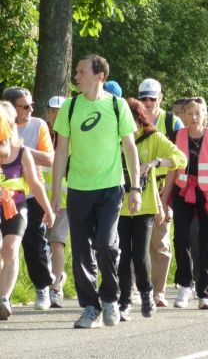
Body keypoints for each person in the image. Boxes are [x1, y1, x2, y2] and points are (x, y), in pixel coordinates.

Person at [52, 54, 141, 329]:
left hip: (110, 188)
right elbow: (61, 151)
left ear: (99, 75)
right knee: (80, 251)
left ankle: (110, 298)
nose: (76, 76)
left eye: (81, 72)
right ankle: (90, 306)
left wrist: (135, 187)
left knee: (105, 243)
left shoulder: (117, 106)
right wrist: (56, 193)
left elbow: (130, 148)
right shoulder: (70, 106)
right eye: (76, 72)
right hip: (78, 189)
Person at [117, 98, 187, 321]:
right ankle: (125, 301)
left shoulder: (153, 137)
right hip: (117, 205)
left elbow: (181, 159)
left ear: (140, 119)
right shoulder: (113, 138)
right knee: (122, 254)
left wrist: (156, 163)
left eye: (133, 121)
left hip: (144, 205)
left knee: (139, 253)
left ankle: (147, 293)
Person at [161, 97, 208, 310]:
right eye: (189, 113)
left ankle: (205, 293)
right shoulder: (177, 135)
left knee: (205, 243)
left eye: (198, 113)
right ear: (183, 116)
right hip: (183, 192)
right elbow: (173, 168)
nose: (193, 117)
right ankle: (184, 285)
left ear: (204, 117)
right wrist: (164, 199)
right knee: (181, 238)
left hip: (206, 194)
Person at [0, 101, 55, 320]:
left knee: (11, 248)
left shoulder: (22, 151)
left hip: (16, 206)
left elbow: (35, 183)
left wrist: (48, 210)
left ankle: (4, 298)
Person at [138, 78, 184, 307]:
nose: (147, 103)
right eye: (143, 98)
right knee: (136, 242)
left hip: (164, 183)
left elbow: (177, 159)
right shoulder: (133, 118)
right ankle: (137, 288)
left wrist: (166, 197)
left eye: (152, 98)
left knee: (160, 242)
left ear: (160, 98)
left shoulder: (171, 121)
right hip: (137, 186)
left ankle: (159, 291)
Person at [43, 96, 69, 307]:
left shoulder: (72, 137)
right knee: (39, 245)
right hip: (38, 198)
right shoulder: (39, 134)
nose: (55, 115)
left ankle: (55, 288)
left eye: (59, 111)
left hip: (65, 200)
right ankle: (46, 282)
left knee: (57, 242)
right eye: (52, 111)